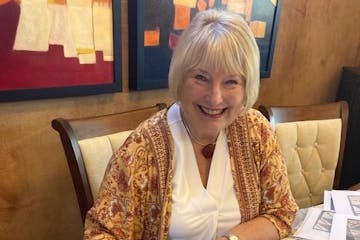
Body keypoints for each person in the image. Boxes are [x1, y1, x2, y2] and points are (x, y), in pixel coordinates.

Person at [84, 9, 298, 240]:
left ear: (247, 87)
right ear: (180, 77)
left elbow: (281, 212)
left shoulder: (257, 131)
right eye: (201, 78)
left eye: (231, 81)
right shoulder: (141, 149)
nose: (215, 98)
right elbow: (100, 234)